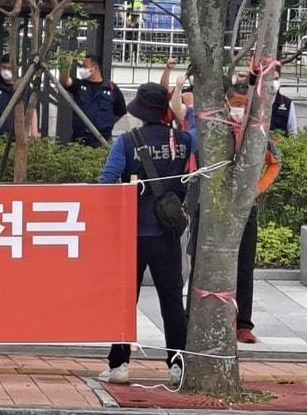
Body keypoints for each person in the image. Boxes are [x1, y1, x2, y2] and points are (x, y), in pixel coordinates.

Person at [97, 83, 193, 387]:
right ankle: (177, 365)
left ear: (139, 108)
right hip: (167, 235)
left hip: (131, 237)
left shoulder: (127, 142)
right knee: (171, 301)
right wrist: (181, 114)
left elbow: (107, 182)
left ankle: (120, 364)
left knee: (125, 299)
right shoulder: (183, 141)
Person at [187, 82, 281, 346]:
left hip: (244, 210)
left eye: (244, 105)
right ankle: (191, 318)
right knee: (200, 261)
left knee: (244, 266)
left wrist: (256, 189)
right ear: (227, 103)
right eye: (236, 104)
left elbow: (275, 163)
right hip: (209, 207)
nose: (240, 109)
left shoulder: (256, 132)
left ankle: (243, 324)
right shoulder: (211, 129)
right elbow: (193, 163)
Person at [63, 52, 126, 147]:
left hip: (102, 142)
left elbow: (120, 112)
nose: (82, 69)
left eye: (85, 66)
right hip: (79, 141)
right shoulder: (79, 85)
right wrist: (65, 66)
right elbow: (64, 81)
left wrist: (105, 123)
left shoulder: (111, 88)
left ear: (95, 68)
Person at [0, 55, 39, 140]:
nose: (6, 70)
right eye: (4, 67)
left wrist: (34, 130)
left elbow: (31, 109)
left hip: (17, 137)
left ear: (16, 68)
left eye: (9, 68)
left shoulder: (23, 86)